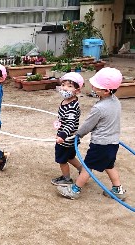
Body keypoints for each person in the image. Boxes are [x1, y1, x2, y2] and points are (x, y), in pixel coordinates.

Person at [57, 67, 127, 200]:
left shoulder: (99, 108)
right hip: (113, 142)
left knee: (87, 167)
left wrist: (78, 135)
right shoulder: (116, 101)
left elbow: (88, 125)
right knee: (109, 165)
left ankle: (75, 189)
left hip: (100, 144)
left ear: (106, 91)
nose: (93, 89)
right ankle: (118, 189)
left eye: (96, 87)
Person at [51, 72, 83, 186]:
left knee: (62, 159)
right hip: (68, 138)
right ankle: (83, 170)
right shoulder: (66, 101)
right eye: (63, 84)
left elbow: (70, 123)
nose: (65, 88)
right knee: (70, 157)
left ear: (77, 90)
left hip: (66, 140)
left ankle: (66, 178)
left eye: (70, 86)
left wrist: (62, 136)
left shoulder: (72, 107)